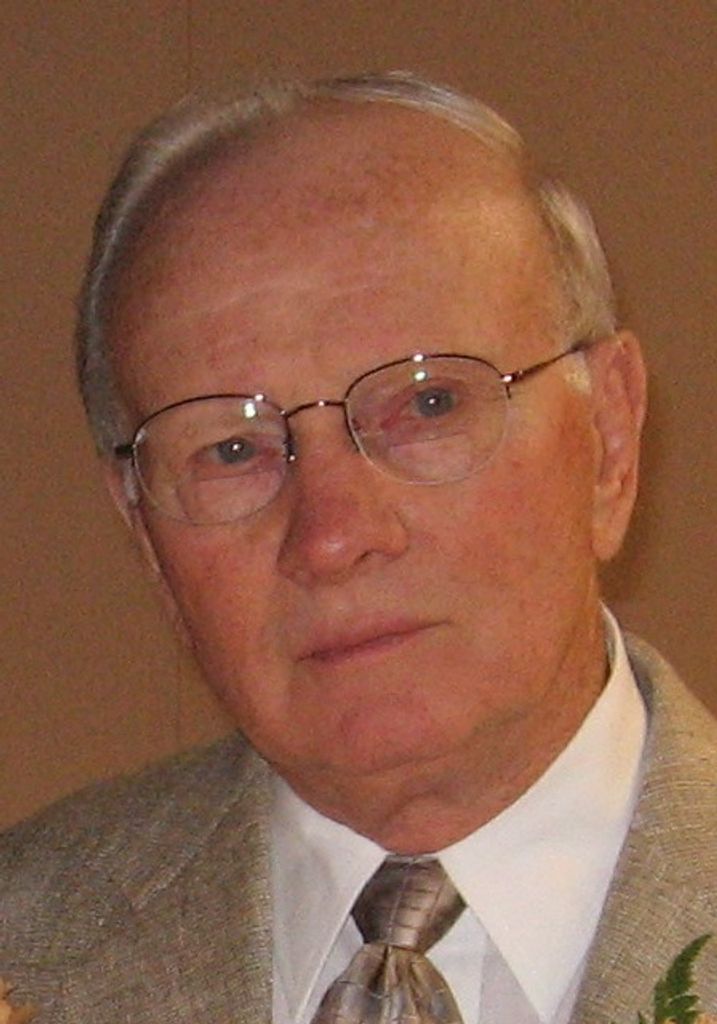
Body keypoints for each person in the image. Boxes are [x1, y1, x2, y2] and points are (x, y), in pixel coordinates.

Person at [0, 72, 714, 1024]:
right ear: (145, 534)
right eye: (231, 449)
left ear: (610, 438)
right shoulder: (26, 945)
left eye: (427, 403)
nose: (333, 535)